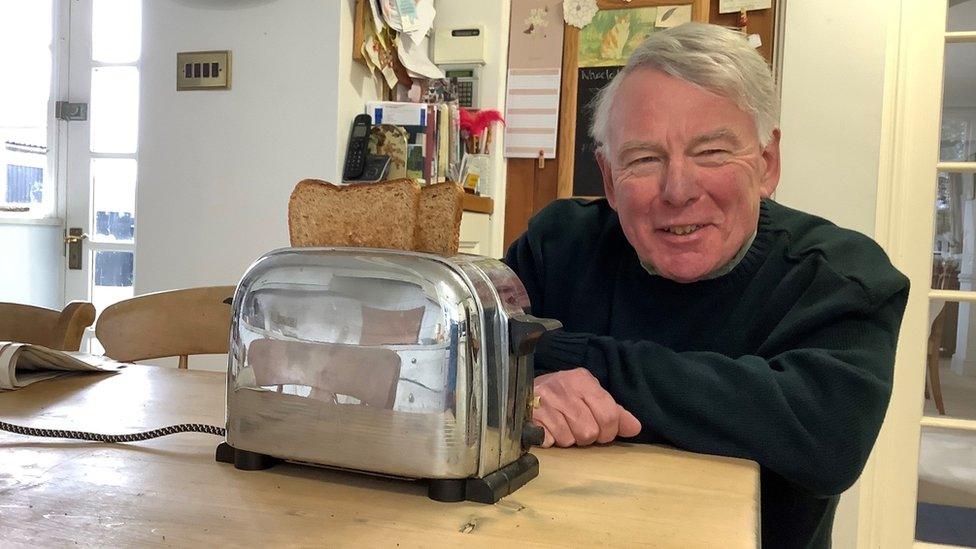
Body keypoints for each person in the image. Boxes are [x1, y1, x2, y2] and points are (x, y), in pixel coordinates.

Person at [503, 22, 909, 548]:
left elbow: (827, 438)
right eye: (645, 158)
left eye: (712, 153)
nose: (678, 190)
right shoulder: (556, 244)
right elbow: (454, 361)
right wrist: (517, 395)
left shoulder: (836, 273)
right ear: (607, 177)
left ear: (767, 163)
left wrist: (562, 355)